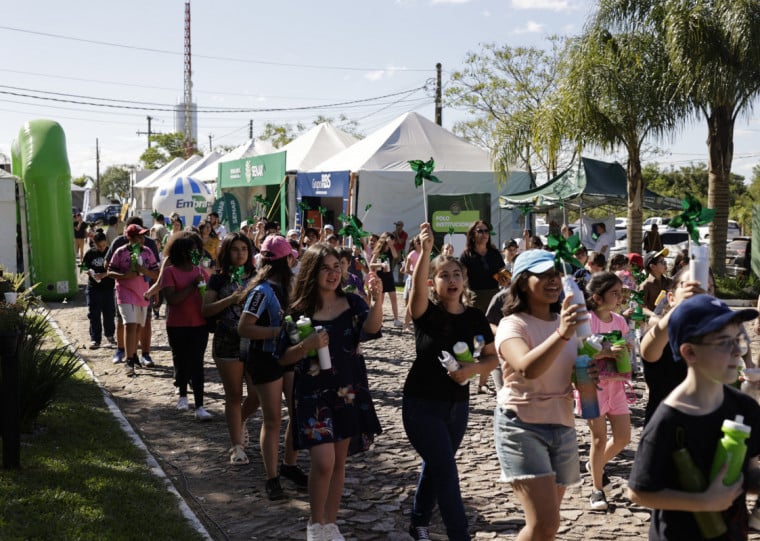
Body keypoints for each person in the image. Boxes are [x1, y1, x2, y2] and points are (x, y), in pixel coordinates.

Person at [628, 294, 760, 541]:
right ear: (689, 352)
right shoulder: (669, 418)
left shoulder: (745, 406)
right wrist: (703, 502)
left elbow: (748, 471)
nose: (735, 352)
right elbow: (639, 491)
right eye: (723, 343)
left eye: (737, 340)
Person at [278, 243, 384, 541]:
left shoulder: (352, 302)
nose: (333, 273)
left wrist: (375, 300)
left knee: (338, 462)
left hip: (348, 391)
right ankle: (315, 523)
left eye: (337, 267)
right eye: (326, 267)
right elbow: (282, 357)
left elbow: (372, 330)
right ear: (312, 271)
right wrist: (305, 347)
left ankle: (330, 524)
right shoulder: (297, 312)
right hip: (312, 394)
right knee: (323, 462)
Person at [403, 222, 498, 541]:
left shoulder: (475, 317)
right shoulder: (426, 312)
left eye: (457, 274)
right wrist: (426, 252)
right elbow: (416, 293)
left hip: (457, 408)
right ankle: (460, 535)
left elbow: (493, 356)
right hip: (421, 405)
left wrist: (470, 371)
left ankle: (418, 523)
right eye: (444, 275)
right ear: (433, 282)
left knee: (437, 465)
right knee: (446, 471)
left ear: (465, 279)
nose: (452, 279)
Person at [494, 249, 590, 541]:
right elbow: (527, 369)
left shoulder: (569, 325)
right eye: (544, 275)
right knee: (544, 524)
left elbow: (569, 373)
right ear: (523, 282)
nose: (553, 281)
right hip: (520, 425)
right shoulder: (513, 325)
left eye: (556, 275)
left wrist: (587, 375)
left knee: (548, 527)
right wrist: (562, 333)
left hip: (561, 425)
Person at [238, 235, 308, 500]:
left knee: (297, 411)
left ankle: (290, 465)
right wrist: (277, 331)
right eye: (291, 257)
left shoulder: (290, 287)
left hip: (289, 355)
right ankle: (272, 477)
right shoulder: (261, 291)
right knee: (274, 419)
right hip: (265, 358)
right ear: (284, 260)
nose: (294, 260)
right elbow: (244, 327)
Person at [202, 233, 261, 464]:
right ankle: (236, 446)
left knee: (257, 395)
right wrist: (231, 299)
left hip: (255, 341)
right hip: (228, 340)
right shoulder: (218, 279)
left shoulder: (257, 277)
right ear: (227, 252)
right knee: (234, 395)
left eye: (244, 249)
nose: (240, 253)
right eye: (235, 249)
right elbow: (206, 310)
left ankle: (240, 420)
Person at [639, 266, 713, 425]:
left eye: (709, 288)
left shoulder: (718, 337)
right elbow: (648, 351)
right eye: (688, 287)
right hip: (666, 431)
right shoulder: (664, 338)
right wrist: (682, 308)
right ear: (671, 298)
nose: (700, 293)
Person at [583, 272, 632, 512]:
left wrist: (626, 350)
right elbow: (576, 354)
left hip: (617, 385)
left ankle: (595, 465)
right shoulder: (586, 321)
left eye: (620, 291)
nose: (620, 296)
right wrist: (603, 352)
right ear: (597, 297)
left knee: (623, 437)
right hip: (591, 387)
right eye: (614, 293)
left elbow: (625, 349)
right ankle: (596, 490)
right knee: (599, 438)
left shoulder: (620, 321)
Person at [162, 231, 212, 420]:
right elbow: (173, 299)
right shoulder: (170, 272)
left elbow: (207, 298)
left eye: (196, 251)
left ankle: (200, 405)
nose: (195, 254)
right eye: (191, 251)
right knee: (181, 361)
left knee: (197, 363)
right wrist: (192, 287)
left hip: (199, 324)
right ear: (181, 252)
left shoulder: (201, 273)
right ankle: (182, 394)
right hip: (177, 325)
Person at [106, 224, 159, 375]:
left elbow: (157, 274)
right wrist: (124, 276)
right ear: (130, 237)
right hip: (124, 292)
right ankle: (129, 362)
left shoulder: (147, 252)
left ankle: (134, 354)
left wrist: (144, 271)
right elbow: (109, 271)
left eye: (143, 236)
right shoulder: (120, 252)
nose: (142, 239)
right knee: (129, 324)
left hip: (143, 293)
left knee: (137, 327)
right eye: (139, 236)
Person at [81, 231, 116, 349]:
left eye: (103, 245)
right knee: (94, 313)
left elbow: (115, 269)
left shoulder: (110, 252)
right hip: (93, 288)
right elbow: (84, 267)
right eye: (99, 245)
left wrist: (103, 275)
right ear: (94, 243)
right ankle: (95, 339)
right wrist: (90, 272)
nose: (102, 248)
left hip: (108, 288)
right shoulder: (90, 253)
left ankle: (110, 334)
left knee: (109, 313)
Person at [370, 231, 402, 327]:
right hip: (380, 277)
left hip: (389, 276)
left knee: (394, 298)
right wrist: (381, 264)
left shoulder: (390, 250)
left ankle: (396, 319)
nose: (393, 242)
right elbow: (371, 264)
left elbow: (396, 256)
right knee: (381, 300)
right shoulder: (379, 251)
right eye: (392, 240)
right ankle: (379, 319)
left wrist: (391, 246)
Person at [641, 249, 672, 314]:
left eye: (664, 261)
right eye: (662, 262)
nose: (665, 264)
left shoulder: (670, 281)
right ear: (653, 266)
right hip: (654, 322)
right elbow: (641, 307)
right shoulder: (646, 285)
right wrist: (654, 315)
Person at [401, 235, 421, 331]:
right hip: (412, 280)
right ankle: (406, 324)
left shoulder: (424, 253)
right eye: (421, 242)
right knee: (410, 303)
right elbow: (406, 270)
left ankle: (415, 323)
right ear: (417, 243)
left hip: (421, 279)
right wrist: (416, 273)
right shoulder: (412, 254)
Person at [391, 220, 409, 285]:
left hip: (401, 252)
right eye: (396, 225)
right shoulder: (393, 233)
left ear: (401, 226)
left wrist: (397, 235)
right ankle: (389, 281)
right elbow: (392, 242)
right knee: (391, 267)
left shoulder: (405, 234)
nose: (396, 226)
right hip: (394, 252)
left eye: (398, 225)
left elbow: (400, 242)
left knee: (401, 268)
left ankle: (400, 282)